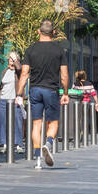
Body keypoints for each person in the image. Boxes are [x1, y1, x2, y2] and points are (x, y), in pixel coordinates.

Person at [19, 20, 70, 169]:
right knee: (53, 122)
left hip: (35, 90)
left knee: (36, 124)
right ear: (53, 33)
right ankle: (48, 143)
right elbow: (64, 75)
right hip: (51, 90)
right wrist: (65, 92)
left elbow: (24, 73)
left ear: (38, 31)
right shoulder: (59, 50)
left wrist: (19, 93)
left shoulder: (30, 50)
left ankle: (38, 160)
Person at [0, 51, 25, 156]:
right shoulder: (5, 71)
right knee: (3, 122)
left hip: (15, 99)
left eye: (12, 59)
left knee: (17, 121)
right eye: (9, 59)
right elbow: (2, 85)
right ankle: (4, 144)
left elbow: (19, 68)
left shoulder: (18, 72)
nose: (10, 61)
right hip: (3, 99)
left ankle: (19, 144)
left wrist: (16, 60)